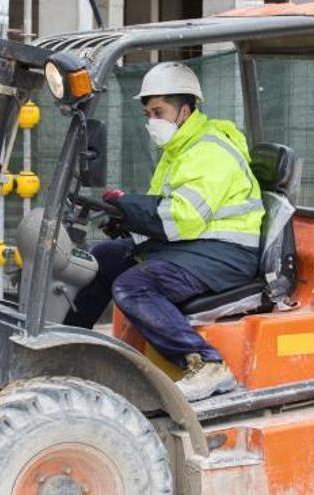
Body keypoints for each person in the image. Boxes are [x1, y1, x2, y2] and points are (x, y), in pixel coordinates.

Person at [63, 62, 264, 402]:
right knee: (103, 259)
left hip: (227, 255)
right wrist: (127, 219)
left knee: (133, 286)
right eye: (148, 113)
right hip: (198, 246)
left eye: (159, 111)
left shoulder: (208, 151)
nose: (151, 121)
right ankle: (65, 350)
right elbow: (162, 213)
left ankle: (205, 364)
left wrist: (129, 205)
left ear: (184, 111)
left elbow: (178, 218)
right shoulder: (179, 151)